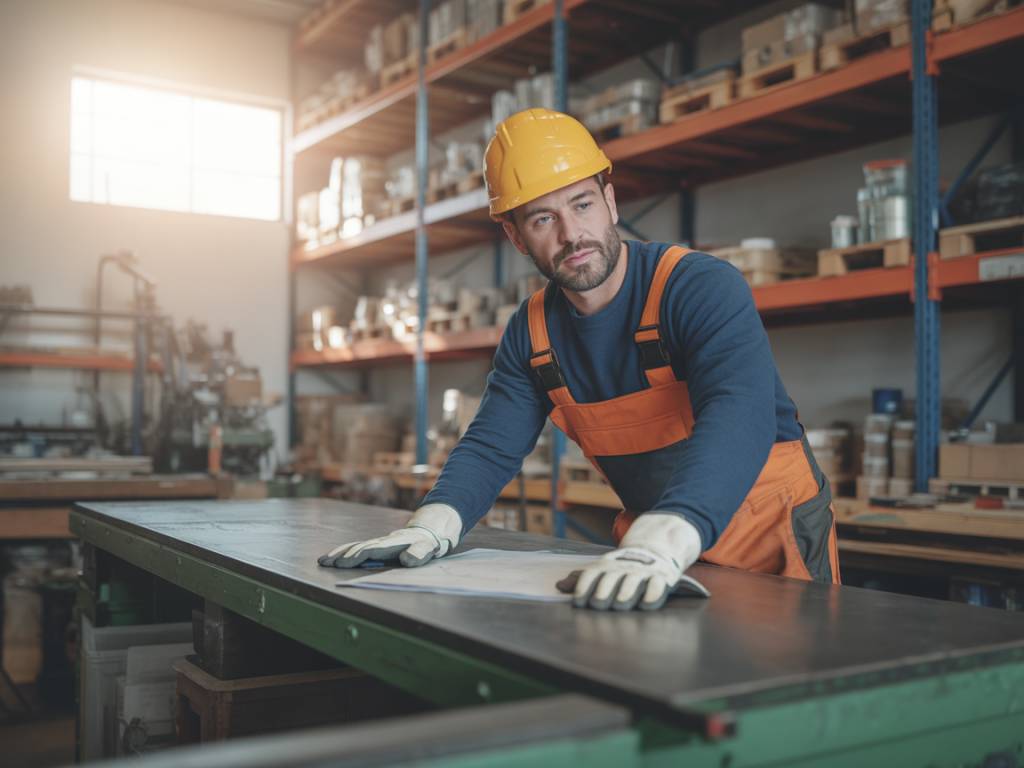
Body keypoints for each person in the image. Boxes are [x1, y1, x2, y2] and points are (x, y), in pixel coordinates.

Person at [320, 108, 841, 611]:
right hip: (647, 552)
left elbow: (738, 413)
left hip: (769, 539)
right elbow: (491, 446)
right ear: (516, 237)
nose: (571, 234)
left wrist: (667, 538)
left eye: (583, 204)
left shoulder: (697, 286)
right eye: (543, 218)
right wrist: (432, 524)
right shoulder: (534, 332)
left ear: (611, 202)